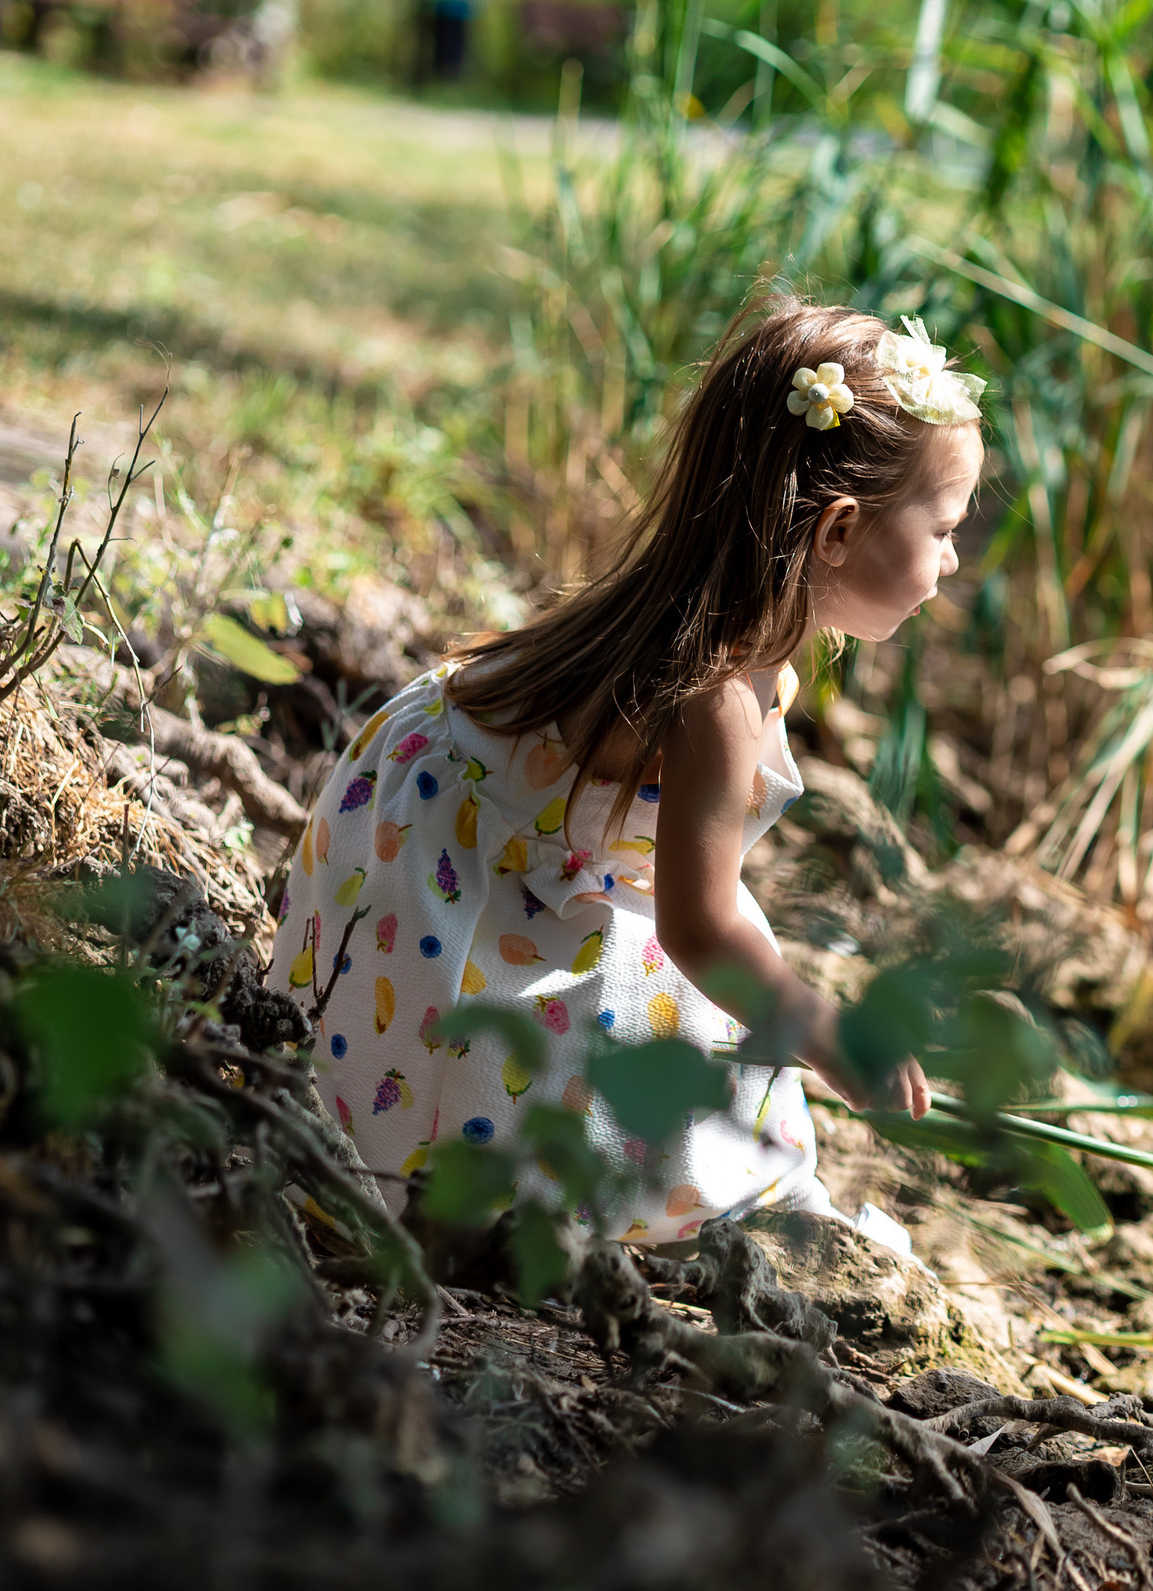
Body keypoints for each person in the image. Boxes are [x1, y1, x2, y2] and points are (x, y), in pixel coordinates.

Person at [271, 296, 985, 1247]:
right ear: (840, 531)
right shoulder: (717, 690)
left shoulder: (730, 634)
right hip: (433, 876)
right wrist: (828, 1036)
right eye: (942, 530)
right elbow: (703, 925)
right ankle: (447, 1145)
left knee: (710, 1006)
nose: (950, 563)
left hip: (452, 822)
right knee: (680, 1043)